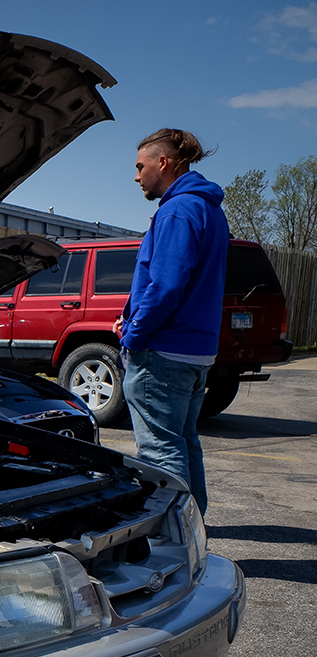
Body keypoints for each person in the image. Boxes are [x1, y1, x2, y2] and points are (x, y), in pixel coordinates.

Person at [115, 128, 229, 514]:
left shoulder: (178, 210)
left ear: (162, 163)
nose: (136, 176)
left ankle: (174, 541)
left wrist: (133, 334)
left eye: (140, 166)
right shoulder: (209, 209)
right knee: (183, 441)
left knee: (161, 451)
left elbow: (166, 286)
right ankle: (194, 527)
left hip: (164, 351)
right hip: (194, 351)